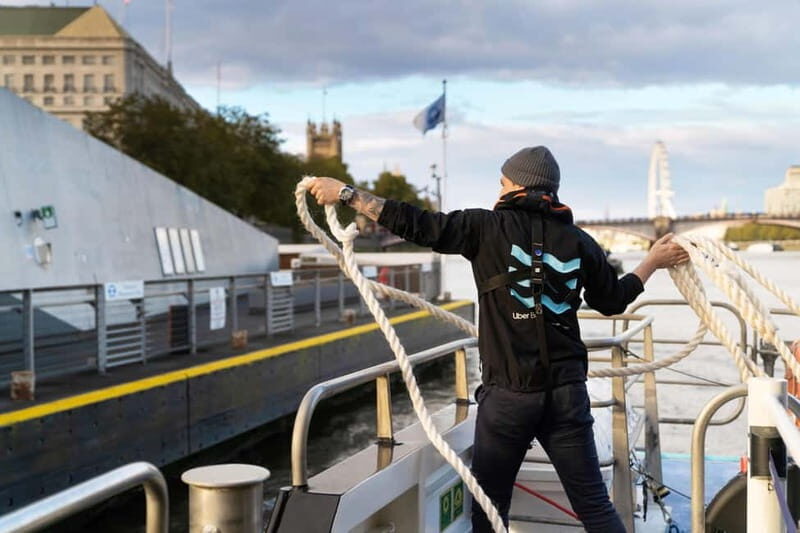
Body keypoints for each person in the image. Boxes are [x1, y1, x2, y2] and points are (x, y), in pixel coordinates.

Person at [307, 146, 689, 532]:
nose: (499, 190)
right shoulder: (579, 241)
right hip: (567, 396)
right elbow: (611, 300)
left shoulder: (483, 227)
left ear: (516, 185)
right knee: (594, 506)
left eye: (502, 182)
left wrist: (347, 194)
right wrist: (651, 261)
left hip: (508, 398)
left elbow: (417, 224)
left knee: (489, 510)